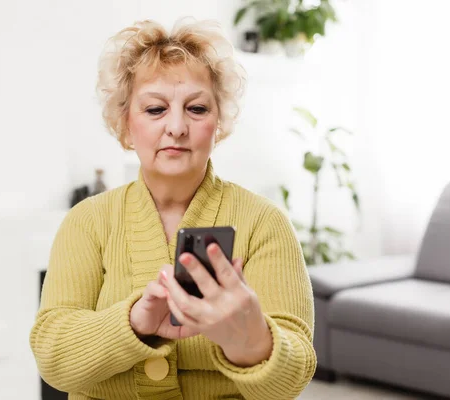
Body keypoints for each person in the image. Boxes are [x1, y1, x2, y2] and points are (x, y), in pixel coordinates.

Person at [30, 17, 316, 400]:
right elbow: (53, 357)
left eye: (197, 109)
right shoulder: (87, 221)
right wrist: (134, 322)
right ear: (125, 125)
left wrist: (253, 341)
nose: (178, 127)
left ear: (219, 123)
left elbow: (293, 377)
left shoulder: (264, 224)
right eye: (155, 110)